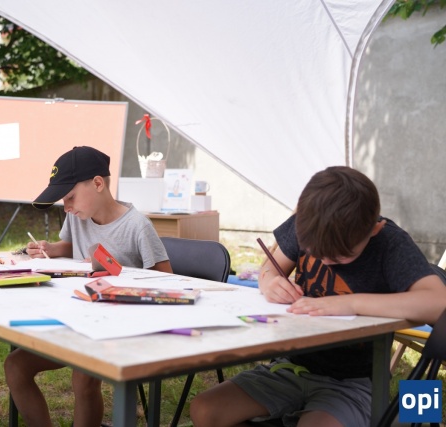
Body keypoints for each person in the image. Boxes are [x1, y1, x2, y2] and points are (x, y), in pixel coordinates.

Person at [190, 166, 446, 427]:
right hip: (289, 367)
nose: (325, 261)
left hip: (351, 382)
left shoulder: (390, 243)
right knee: (205, 409)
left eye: (339, 257)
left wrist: (351, 303)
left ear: (373, 229)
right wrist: (270, 282)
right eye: (315, 252)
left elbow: (439, 303)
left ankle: (399, 418)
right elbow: (269, 267)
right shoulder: (310, 220)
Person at [4, 145, 172, 426]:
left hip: (119, 329)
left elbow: (168, 280)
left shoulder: (137, 226)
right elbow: (70, 245)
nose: (66, 207)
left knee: (82, 375)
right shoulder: (77, 217)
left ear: (97, 183)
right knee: (15, 365)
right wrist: (51, 248)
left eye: (70, 197)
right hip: (76, 319)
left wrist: (121, 275)